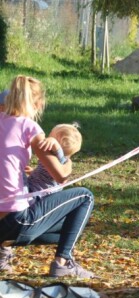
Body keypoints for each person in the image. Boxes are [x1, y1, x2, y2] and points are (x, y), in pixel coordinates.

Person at [0, 75, 95, 278]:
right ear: (38, 103)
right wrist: (67, 158)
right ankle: (63, 261)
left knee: (69, 224)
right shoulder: (29, 128)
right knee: (85, 197)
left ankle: (3, 249)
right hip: (15, 220)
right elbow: (61, 176)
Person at [27, 123, 82, 193]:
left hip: (37, 191)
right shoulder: (53, 158)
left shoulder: (60, 159)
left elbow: (58, 150)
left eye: (50, 135)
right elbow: (47, 175)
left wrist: (54, 142)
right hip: (39, 189)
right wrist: (33, 172)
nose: (47, 138)